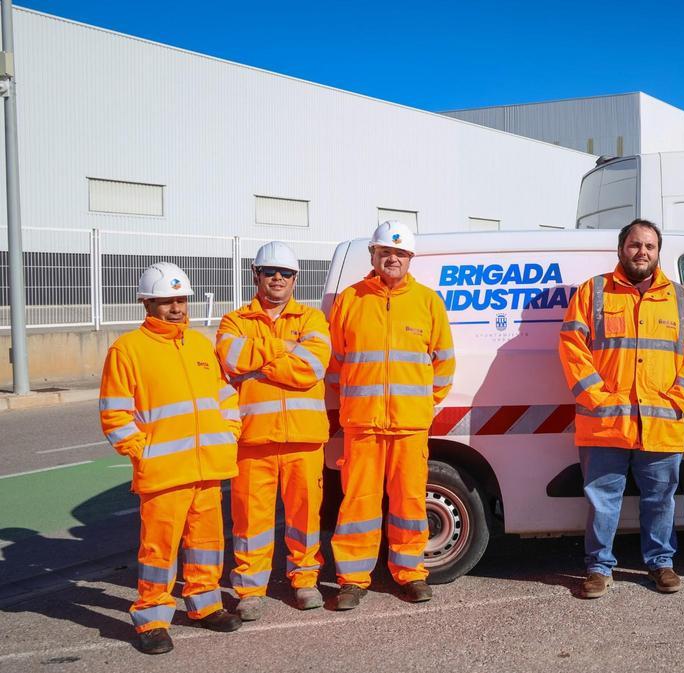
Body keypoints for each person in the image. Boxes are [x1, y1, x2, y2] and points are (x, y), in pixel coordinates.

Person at [558, 219, 684, 598]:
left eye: (649, 246)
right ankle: (598, 568)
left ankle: (661, 563)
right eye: (634, 244)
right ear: (620, 248)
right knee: (602, 501)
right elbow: (571, 347)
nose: (642, 252)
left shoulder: (679, 298)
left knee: (661, 500)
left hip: (661, 424)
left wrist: (679, 400)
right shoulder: (593, 292)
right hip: (606, 424)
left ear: (658, 252)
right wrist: (598, 397)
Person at [98, 262, 243, 655]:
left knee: (207, 544)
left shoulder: (199, 344)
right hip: (163, 473)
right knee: (158, 551)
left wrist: (230, 433)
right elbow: (114, 413)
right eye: (166, 301)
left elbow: (224, 394)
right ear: (146, 303)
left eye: (181, 299)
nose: (176, 308)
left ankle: (205, 604)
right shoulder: (128, 349)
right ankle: (152, 618)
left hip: (208, 467)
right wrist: (140, 452)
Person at [325, 220, 454, 609]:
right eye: (385, 252)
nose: (392, 259)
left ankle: (410, 573)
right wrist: (353, 402)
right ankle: (352, 579)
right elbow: (334, 364)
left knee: (409, 501)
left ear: (410, 258)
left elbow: (444, 364)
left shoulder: (428, 301)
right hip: (362, 424)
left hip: (410, 425)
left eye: (399, 253)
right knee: (357, 503)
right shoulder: (351, 300)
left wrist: (422, 404)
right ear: (374, 255)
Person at [216, 242, 331, 620]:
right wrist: (285, 349)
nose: (277, 278)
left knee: (305, 517)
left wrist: (259, 358)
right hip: (254, 438)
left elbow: (311, 367)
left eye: (284, 273)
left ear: (296, 278)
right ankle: (250, 590)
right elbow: (232, 359)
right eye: (270, 272)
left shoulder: (313, 320)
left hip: (304, 438)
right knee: (251, 519)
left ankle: (305, 581)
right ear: (256, 275)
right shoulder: (234, 321)